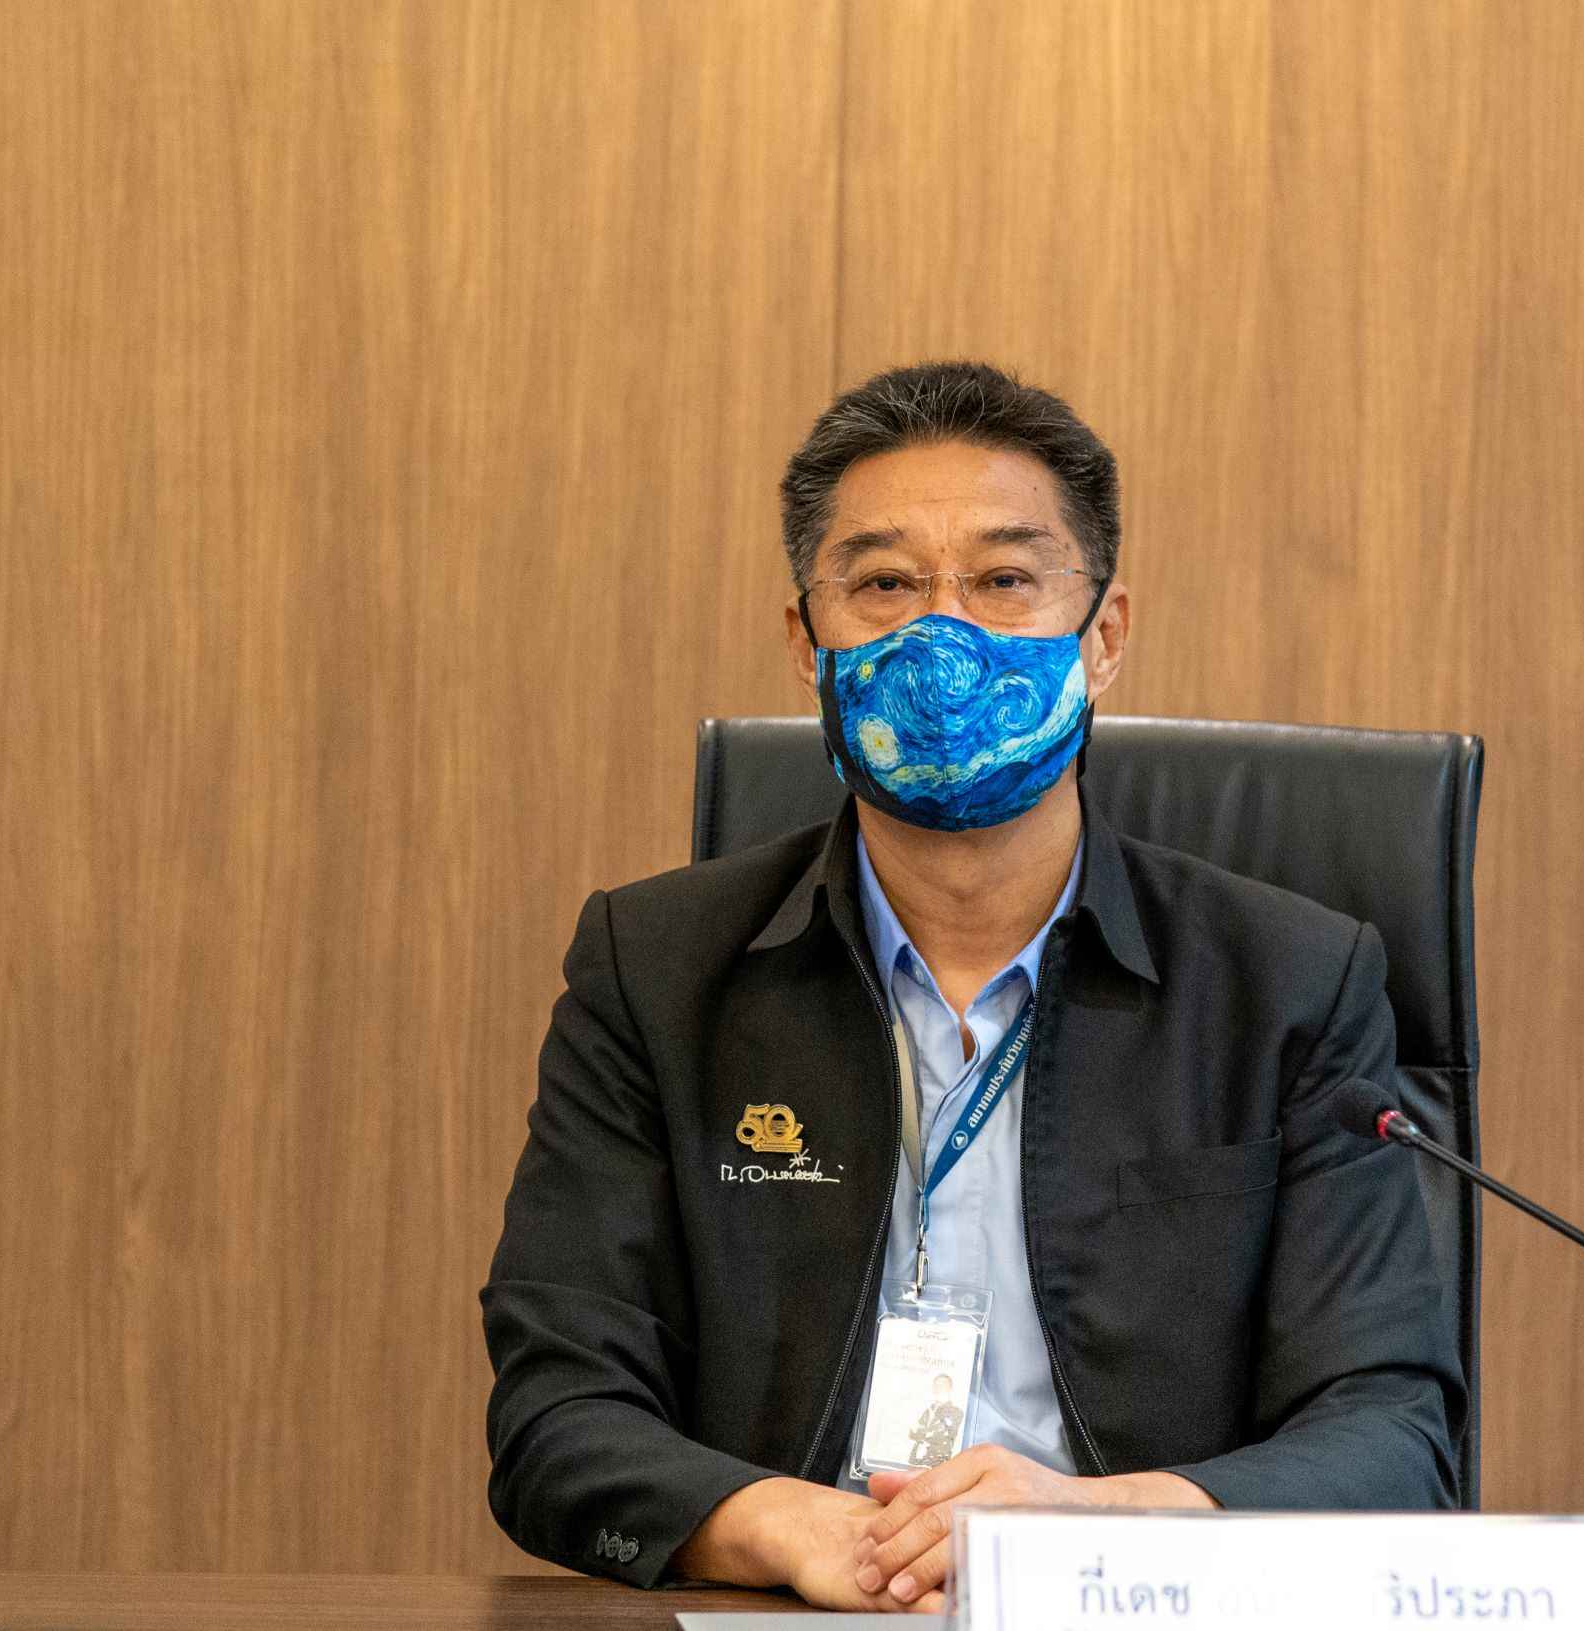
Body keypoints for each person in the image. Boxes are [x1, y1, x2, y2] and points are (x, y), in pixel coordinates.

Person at [482, 360, 1464, 1613]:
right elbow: (557, 1411)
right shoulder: (658, 971)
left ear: (1103, 636)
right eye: (885, 583)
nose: (941, 632)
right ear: (806, 642)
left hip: (1131, 1607)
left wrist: (1093, 1526)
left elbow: (1391, 1435)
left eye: (1004, 580)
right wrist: (791, 1528)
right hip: (796, 1609)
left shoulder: (1290, 984)